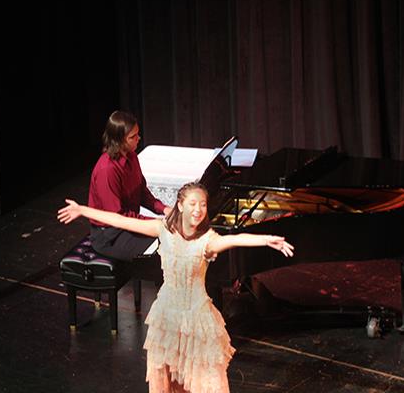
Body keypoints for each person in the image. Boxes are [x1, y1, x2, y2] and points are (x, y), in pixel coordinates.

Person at [58, 181, 294, 393]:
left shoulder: (208, 240)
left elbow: (233, 240)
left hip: (196, 320)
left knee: (204, 380)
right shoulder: (163, 230)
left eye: (203, 204)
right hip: (167, 317)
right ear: (180, 206)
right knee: (168, 381)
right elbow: (120, 220)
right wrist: (82, 210)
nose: (198, 210)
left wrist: (266, 240)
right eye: (193, 204)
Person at [88, 110, 172, 261]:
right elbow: (117, 217)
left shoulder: (132, 156)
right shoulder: (107, 170)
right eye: (133, 137)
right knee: (162, 246)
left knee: (172, 237)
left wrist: (164, 209)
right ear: (119, 141)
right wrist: (154, 223)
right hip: (110, 234)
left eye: (137, 134)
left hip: (129, 224)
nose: (138, 138)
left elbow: (142, 192)